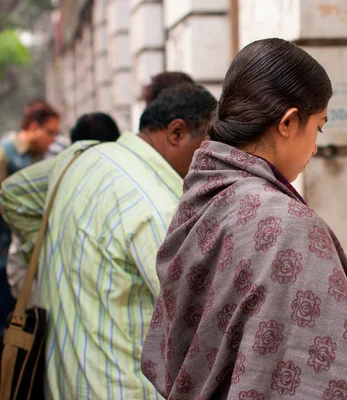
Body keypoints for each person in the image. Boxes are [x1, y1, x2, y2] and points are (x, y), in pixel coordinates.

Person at [141, 38, 347, 400]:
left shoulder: (204, 193)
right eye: (319, 127)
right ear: (288, 122)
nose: (314, 146)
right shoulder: (286, 224)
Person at [0, 83, 217, 399]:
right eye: (207, 143)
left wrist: (52, 255)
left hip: (62, 382)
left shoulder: (80, 158)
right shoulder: (158, 207)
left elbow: (14, 193)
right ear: (177, 133)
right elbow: (200, 323)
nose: (209, 157)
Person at [5, 112, 121, 306]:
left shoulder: (58, 169)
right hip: (40, 287)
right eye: (50, 133)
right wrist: (42, 248)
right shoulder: (53, 171)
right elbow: (9, 191)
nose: (53, 140)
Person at [0, 105, 60, 340]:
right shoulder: (5, 154)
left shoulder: (39, 156)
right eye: (50, 132)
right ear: (33, 127)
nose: (53, 139)